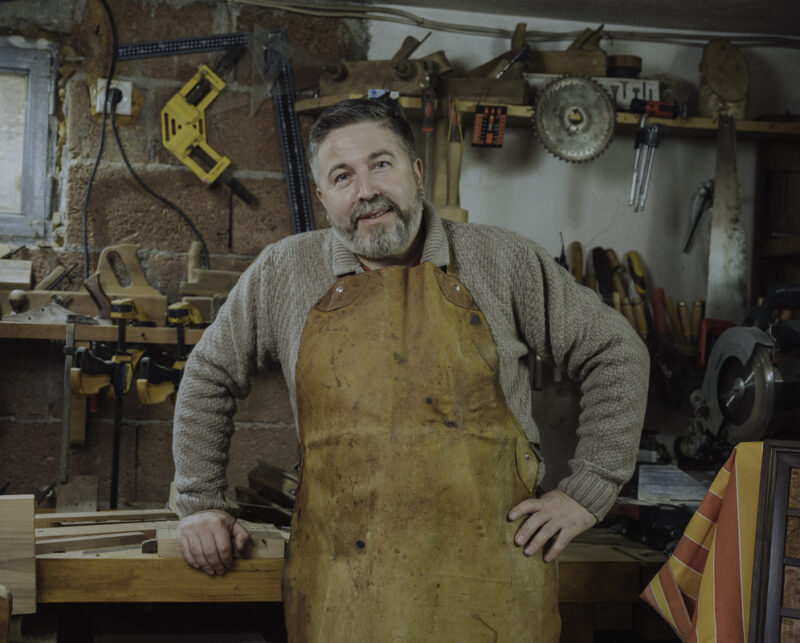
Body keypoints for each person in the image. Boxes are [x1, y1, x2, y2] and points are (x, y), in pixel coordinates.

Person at [172, 98, 649, 641]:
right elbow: (208, 374)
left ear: (416, 173)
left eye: (381, 164)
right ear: (323, 197)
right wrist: (199, 503)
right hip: (341, 588)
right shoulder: (284, 271)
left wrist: (587, 490)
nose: (367, 190)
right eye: (342, 176)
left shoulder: (504, 261)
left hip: (491, 584)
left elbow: (617, 351)